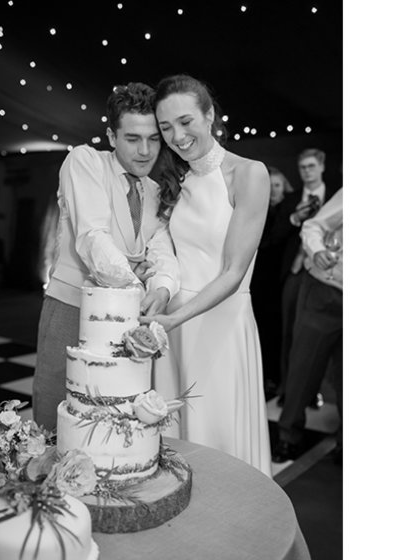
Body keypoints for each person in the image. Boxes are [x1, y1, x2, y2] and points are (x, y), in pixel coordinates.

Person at [140, 74, 272, 476]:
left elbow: (233, 271)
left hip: (220, 323)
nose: (177, 136)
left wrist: (173, 319)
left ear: (210, 115)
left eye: (185, 122)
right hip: (176, 326)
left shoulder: (249, 174)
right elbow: (173, 257)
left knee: (220, 436)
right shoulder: (176, 180)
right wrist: (160, 291)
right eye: (166, 127)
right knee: (179, 441)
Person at [32, 82, 180, 431]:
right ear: (112, 136)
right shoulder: (84, 161)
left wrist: (161, 288)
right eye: (132, 139)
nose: (145, 151)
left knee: (112, 420)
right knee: (56, 418)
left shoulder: (156, 192)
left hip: (130, 320)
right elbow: (92, 238)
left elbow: (162, 251)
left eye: (154, 138)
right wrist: (136, 283)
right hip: (72, 307)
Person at [273, 188, 343, 463]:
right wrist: (317, 251)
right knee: (303, 366)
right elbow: (314, 225)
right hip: (325, 290)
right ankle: (288, 436)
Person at [278, 149, 340, 405]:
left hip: (328, 278)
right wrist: (294, 218)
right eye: (302, 167)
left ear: (322, 167)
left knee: (326, 349)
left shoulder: (335, 194)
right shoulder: (291, 200)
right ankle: (287, 394)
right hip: (296, 274)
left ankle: (316, 395)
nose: (307, 171)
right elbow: (274, 237)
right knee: (291, 337)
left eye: (311, 166)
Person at [251, 167, 296, 398]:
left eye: (277, 185)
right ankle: (266, 377)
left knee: (281, 331)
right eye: (271, 185)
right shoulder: (262, 211)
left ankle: (279, 379)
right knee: (264, 329)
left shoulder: (290, 211)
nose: (274, 190)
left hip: (282, 278)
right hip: (261, 278)